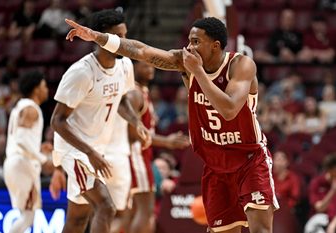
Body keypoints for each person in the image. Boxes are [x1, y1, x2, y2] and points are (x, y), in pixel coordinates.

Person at [65, 15, 279, 233]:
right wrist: (97, 37)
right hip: (216, 165)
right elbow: (142, 51)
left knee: (260, 229)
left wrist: (197, 72)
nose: (189, 47)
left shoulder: (241, 65)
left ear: (215, 46)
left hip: (249, 160)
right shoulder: (184, 62)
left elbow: (229, 109)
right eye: (189, 40)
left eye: (196, 42)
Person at [50, 9, 150, 233]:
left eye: (125, 36)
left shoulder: (125, 66)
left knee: (78, 218)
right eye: (118, 37)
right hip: (75, 150)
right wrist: (90, 153)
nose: (123, 42)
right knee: (106, 206)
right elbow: (57, 121)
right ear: (102, 37)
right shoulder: (81, 73)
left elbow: (122, 102)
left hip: (95, 148)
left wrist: (137, 122)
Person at [125, 60, 189, 233]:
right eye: (145, 65)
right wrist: (166, 141)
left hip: (140, 157)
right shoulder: (134, 94)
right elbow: (132, 134)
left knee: (129, 215)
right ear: (133, 68)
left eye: (151, 65)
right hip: (135, 157)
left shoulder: (142, 93)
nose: (150, 69)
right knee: (145, 213)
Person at [3, 70, 53, 233]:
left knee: (26, 215)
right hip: (21, 164)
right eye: (44, 86)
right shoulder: (31, 108)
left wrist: (39, 148)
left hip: (13, 162)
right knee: (28, 216)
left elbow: (21, 139)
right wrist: (43, 159)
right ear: (36, 88)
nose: (47, 90)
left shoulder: (20, 106)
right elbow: (21, 140)